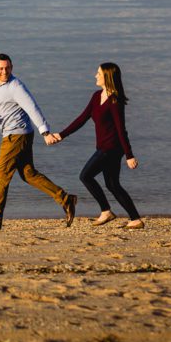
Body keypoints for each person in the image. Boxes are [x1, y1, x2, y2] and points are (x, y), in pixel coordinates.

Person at [0, 53, 77, 230]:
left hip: (17, 135)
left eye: (8, 68)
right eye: (1, 68)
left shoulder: (16, 86)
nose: (5, 72)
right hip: (17, 135)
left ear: (12, 67)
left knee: (0, 174)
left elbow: (32, 107)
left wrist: (45, 132)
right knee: (29, 174)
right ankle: (66, 199)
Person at [45, 62, 143, 229]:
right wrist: (61, 135)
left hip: (111, 149)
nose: (95, 76)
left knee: (85, 176)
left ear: (107, 76)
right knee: (112, 184)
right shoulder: (97, 96)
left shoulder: (114, 100)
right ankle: (135, 219)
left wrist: (129, 155)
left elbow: (121, 129)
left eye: (98, 73)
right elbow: (82, 119)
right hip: (104, 148)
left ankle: (106, 211)